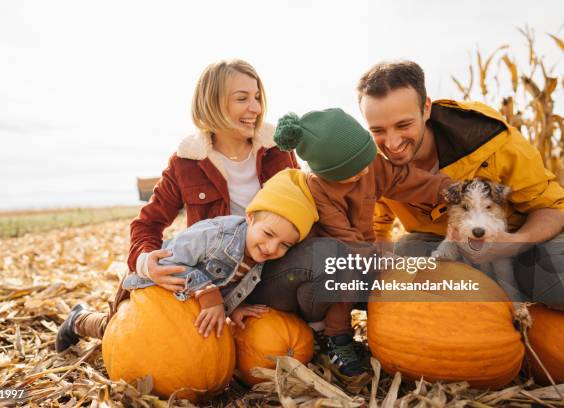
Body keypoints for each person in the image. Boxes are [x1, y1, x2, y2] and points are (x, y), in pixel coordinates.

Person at [56, 59, 298, 352]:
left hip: (266, 269)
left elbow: (302, 211)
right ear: (213, 103)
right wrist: (147, 263)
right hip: (208, 278)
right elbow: (148, 223)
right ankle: (82, 320)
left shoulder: (277, 152)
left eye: (258, 97)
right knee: (139, 335)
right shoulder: (187, 162)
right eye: (242, 99)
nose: (256, 108)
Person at [357, 60, 564, 309]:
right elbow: (377, 225)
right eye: (377, 130)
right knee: (407, 252)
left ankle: (529, 304)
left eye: (403, 125)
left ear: (425, 109)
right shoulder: (374, 165)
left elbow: (552, 208)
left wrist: (515, 242)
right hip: (450, 251)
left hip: (519, 244)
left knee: (554, 275)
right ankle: (487, 315)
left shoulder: (491, 140)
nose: (391, 143)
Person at [273, 107, 453, 373]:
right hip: (330, 260)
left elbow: (406, 179)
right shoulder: (318, 187)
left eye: (367, 161)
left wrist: (449, 189)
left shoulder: (369, 164)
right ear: (327, 173)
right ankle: (337, 338)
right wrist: (380, 259)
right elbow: (345, 238)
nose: (364, 171)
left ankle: (400, 332)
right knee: (345, 278)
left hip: (364, 249)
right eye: (352, 172)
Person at [122, 168, 318, 339]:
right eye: (268, 234)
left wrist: (233, 308)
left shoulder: (260, 251)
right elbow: (165, 263)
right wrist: (208, 293)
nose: (272, 248)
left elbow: (226, 282)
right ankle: (96, 323)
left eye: (285, 244)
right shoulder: (214, 234)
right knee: (129, 332)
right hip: (151, 292)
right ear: (250, 217)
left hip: (188, 307)